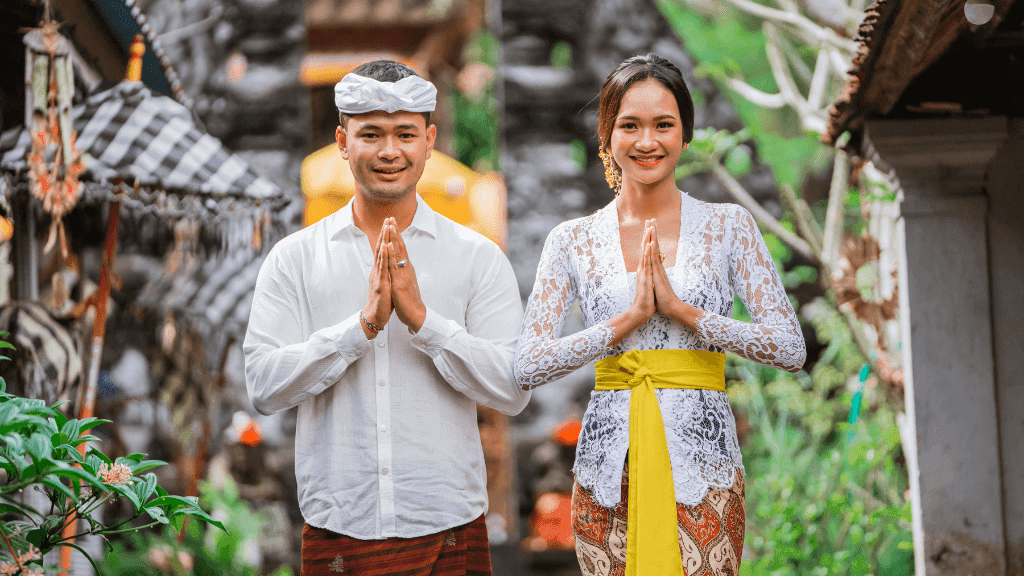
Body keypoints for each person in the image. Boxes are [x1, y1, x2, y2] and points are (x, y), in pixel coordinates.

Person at [514, 53, 807, 576]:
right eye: (630, 125)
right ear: (607, 136)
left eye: (663, 125)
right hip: (607, 473)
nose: (646, 141)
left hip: (705, 468)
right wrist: (623, 323)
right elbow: (528, 364)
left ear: (686, 135)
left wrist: (686, 313)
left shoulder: (729, 226)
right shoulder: (571, 239)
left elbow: (790, 347)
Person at [244, 60, 529, 576]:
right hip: (338, 527)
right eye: (371, 134)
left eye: (405, 134)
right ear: (342, 141)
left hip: (449, 522)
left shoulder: (477, 257)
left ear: (429, 141)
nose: (390, 151)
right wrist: (360, 329)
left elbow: (513, 389)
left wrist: (425, 323)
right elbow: (263, 386)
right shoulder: (295, 258)